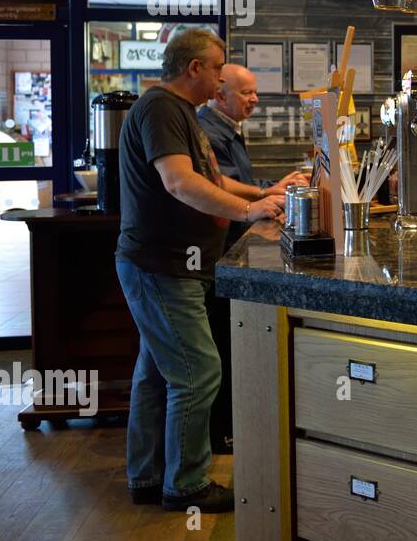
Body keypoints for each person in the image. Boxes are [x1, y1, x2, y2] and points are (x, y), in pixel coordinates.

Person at [115, 29, 286, 513]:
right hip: (161, 264)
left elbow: (210, 177)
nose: (219, 78)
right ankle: (186, 485)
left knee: (155, 374)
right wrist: (246, 212)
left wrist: (258, 196)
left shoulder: (178, 112)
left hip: (167, 264)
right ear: (194, 68)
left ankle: (147, 476)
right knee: (199, 373)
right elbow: (179, 181)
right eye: (216, 68)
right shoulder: (162, 108)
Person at [197, 64, 304, 454]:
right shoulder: (209, 130)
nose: (255, 99)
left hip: (223, 245)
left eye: (254, 92)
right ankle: (221, 434)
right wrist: (260, 200)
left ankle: (225, 430)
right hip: (214, 249)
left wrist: (266, 191)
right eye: (246, 93)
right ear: (219, 93)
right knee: (216, 347)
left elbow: (231, 181)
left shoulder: (225, 128)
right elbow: (215, 186)